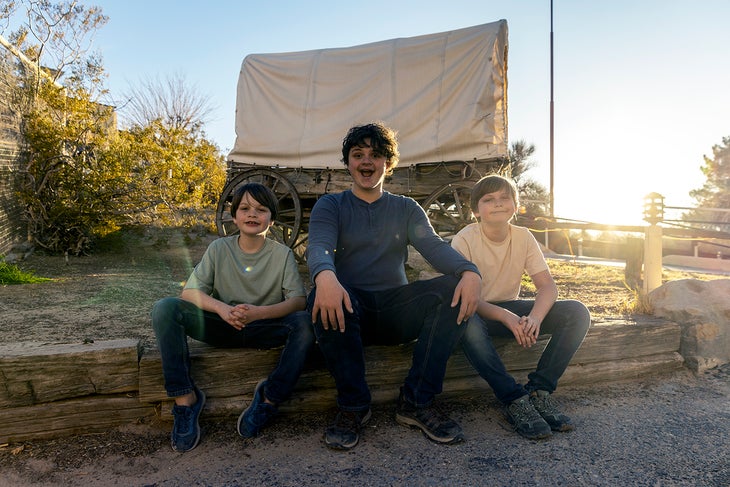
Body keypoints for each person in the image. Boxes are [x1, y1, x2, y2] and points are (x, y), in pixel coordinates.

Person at [306, 122, 482, 450]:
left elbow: (434, 247)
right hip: (349, 311)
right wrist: (325, 276)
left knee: (452, 289)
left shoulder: (406, 208)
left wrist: (469, 271)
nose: (366, 161)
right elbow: (318, 246)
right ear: (348, 163)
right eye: (358, 154)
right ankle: (354, 406)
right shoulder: (331, 206)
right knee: (320, 294)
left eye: (376, 154)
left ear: (389, 163)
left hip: (396, 311)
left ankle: (417, 401)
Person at [151, 182, 314, 452]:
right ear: (234, 215)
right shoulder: (218, 249)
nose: (252, 214)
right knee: (165, 308)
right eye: (245, 208)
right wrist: (223, 310)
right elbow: (189, 293)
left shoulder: (282, 254)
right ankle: (185, 400)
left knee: (305, 324)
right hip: (223, 326)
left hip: (263, 327)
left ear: (271, 218)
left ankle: (269, 399)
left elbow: (298, 301)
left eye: (261, 209)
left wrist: (258, 313)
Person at [451, 174, 591, 440]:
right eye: (489, 199)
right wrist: (506, 317)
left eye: (505, 198)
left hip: (511, 308)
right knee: (466, 321)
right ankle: (514, 399)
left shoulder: (523, 236)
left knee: (576, 312)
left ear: (515, 206)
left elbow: (547, 286)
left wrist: (535, 319)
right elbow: (466, 297)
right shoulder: (464, 239)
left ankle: (539, 391)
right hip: (478, 311)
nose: (498, 203)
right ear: (475, 210)